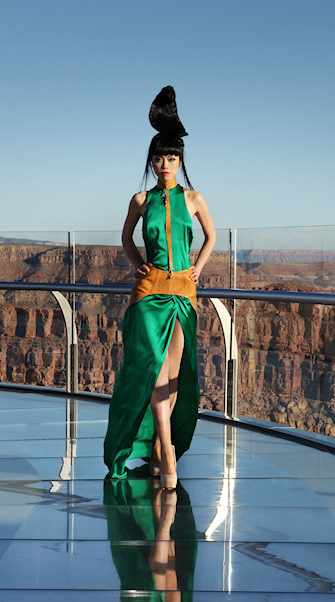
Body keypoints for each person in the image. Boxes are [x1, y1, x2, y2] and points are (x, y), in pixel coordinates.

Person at [104, 86, 216, 487]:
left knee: (173, 373)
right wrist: (137, 265)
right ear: (150, 162)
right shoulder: (139, 199)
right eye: (158, 158)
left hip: (183, 295)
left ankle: (159, 444)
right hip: (148, 294)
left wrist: (197, 270)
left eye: (171, 157)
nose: (164, 163)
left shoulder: (194, 198)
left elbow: (212, 237)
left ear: (180, 160)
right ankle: (166, 451)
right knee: (152, 372)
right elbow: (125, 238)